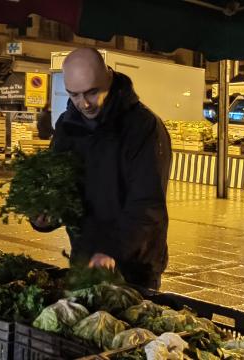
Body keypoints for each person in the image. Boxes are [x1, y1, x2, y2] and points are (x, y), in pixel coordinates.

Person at [31, 48, 172, 289]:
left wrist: (112, 252)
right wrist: (45, 216)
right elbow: (60, 188)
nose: (84, 103)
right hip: (84, 259)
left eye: (92, 92)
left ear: (108, 77)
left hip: (134, 266)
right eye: (74, 95)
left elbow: (147, 204)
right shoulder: (67, 127)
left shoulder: (143, 127)